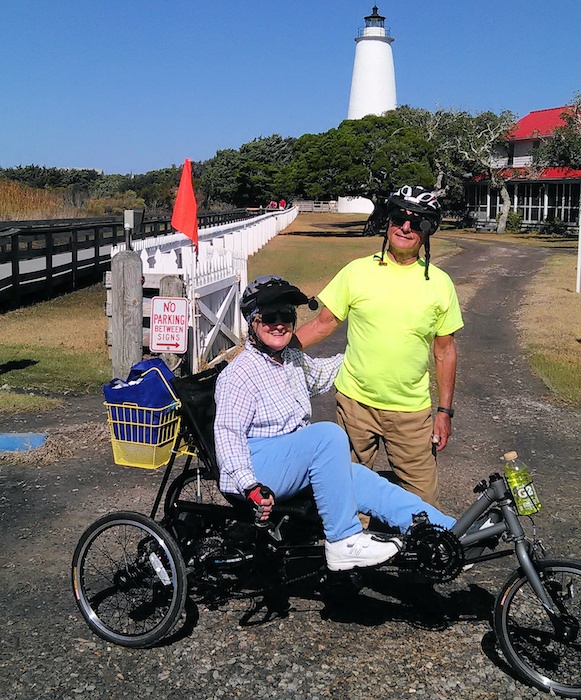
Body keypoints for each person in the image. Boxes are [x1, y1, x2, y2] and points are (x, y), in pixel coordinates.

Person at [214, 275, 456, 573]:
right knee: (328, 435)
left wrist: (367, 356)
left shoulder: (291, 360)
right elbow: (228, 435)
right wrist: (249, 485)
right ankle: (343, 540)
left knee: (364, 481)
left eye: (287, 316)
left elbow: (328, 371)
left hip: (293, 461)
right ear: (252, 322)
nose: (280, 324)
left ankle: (451, 533)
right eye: (270, 317)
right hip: (258, 468)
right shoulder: (238, 374)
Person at [294, 186, 464, 509]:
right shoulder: (357, 272)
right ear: (387, 222)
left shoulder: (441, 284)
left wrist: (444, 412)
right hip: (355, 405)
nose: (406, 228)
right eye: (399, 218)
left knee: (423, 505)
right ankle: (357, 557)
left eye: (418, 224)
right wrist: (275, 349)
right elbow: (322, 324)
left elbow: (444, 351)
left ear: (429, 231)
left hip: (412, 414)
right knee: (348, 497)